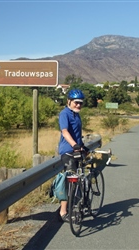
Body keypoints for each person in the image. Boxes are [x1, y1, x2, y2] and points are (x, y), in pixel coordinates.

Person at [58, 88, 87, 222]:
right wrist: (73, 144)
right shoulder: (64, 114)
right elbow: (65, 131)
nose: (79, 105)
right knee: (70, 181)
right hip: (67, 151)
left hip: (77, 150)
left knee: (79, 179)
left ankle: (78, 204)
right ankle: (63, 212)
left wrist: (81, 146)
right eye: (76, 102)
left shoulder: (77, 114)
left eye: (81, 103)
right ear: (69, 101)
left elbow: (77, 133)